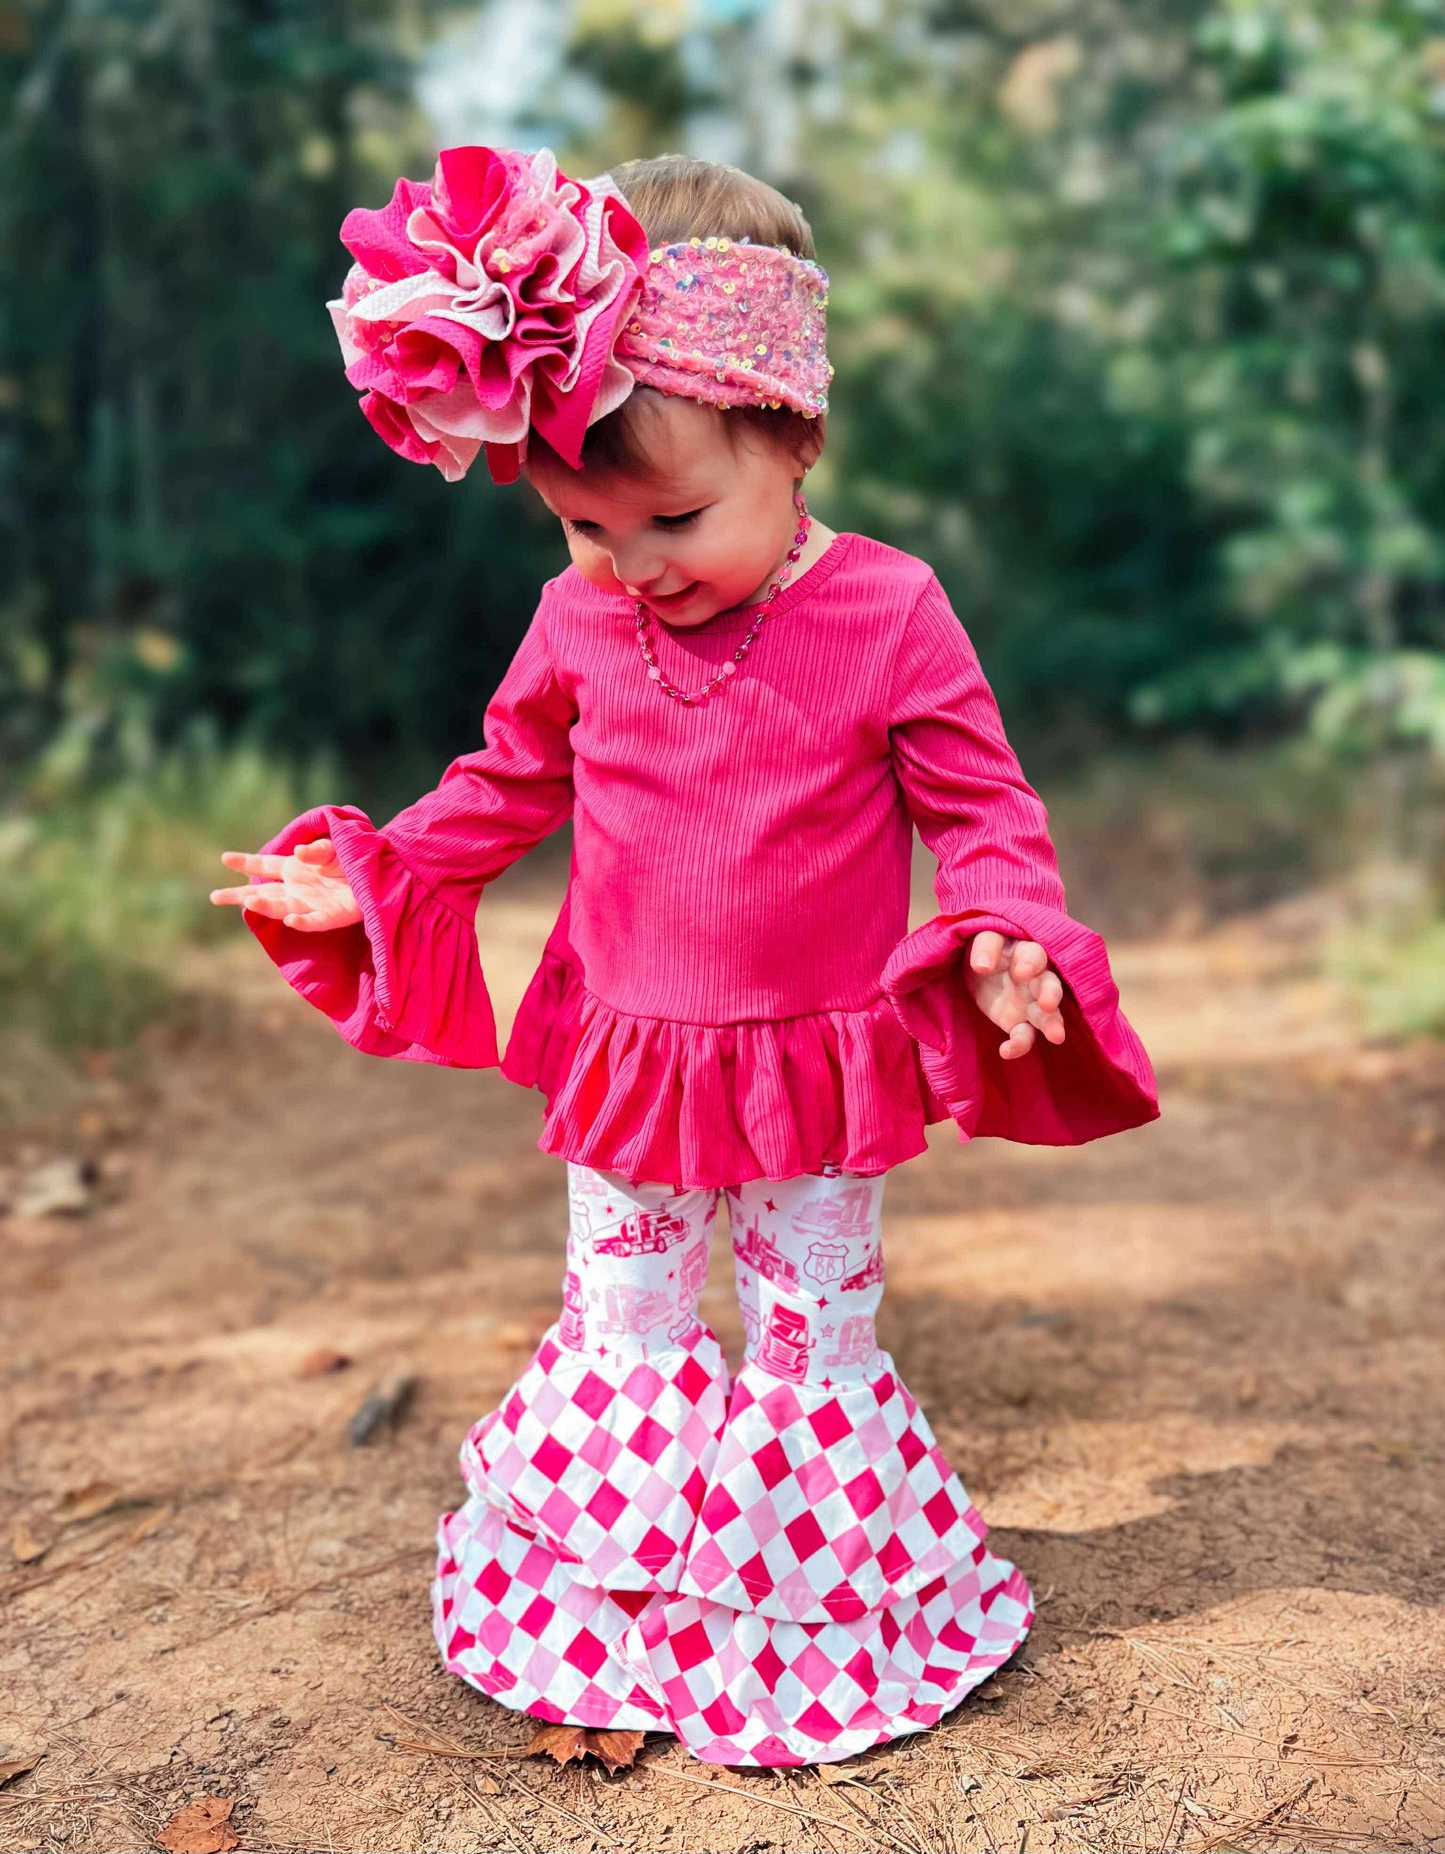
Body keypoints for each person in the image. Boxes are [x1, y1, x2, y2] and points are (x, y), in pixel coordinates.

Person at [209, 145, 1160, 1768]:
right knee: (629, 1328)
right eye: (584, 522)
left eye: (673, 514)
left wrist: (1004, 929)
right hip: (630, 1057)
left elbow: (981, 807)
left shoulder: (889, 609)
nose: (632, 559)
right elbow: (501, 786)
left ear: (792, 439)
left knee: (808, 1335)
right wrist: (365, 884)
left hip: (816, 1064)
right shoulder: (579, 622)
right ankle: (612, 1601)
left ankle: (806, 1619)